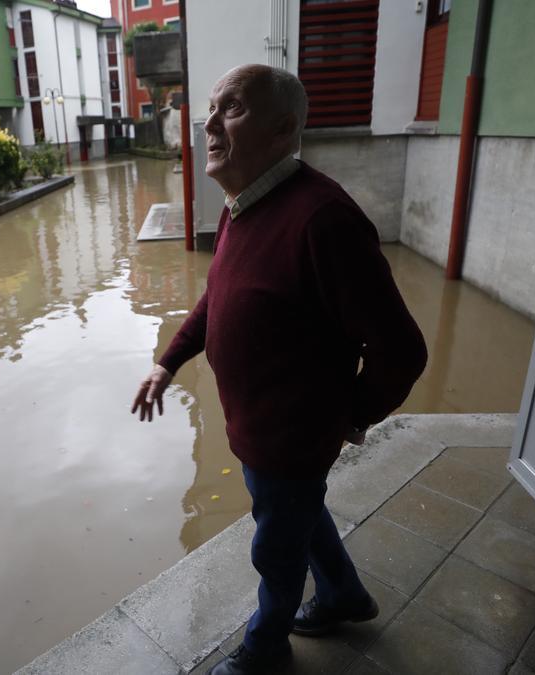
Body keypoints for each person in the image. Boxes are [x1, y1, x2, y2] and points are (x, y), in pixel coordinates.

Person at [131, 64, 428, 675]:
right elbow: (219, 300)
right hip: (258, 431)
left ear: (282, 129)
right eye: (211, 108)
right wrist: (168, 363)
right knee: (295, 513)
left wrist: (349, 415)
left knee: (276, 550)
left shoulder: (323, 219)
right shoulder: (245, 208)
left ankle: (264, 651)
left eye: (231, 108)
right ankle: (345, 594)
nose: (209, 123)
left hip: (292, 437)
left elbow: (402, 349)